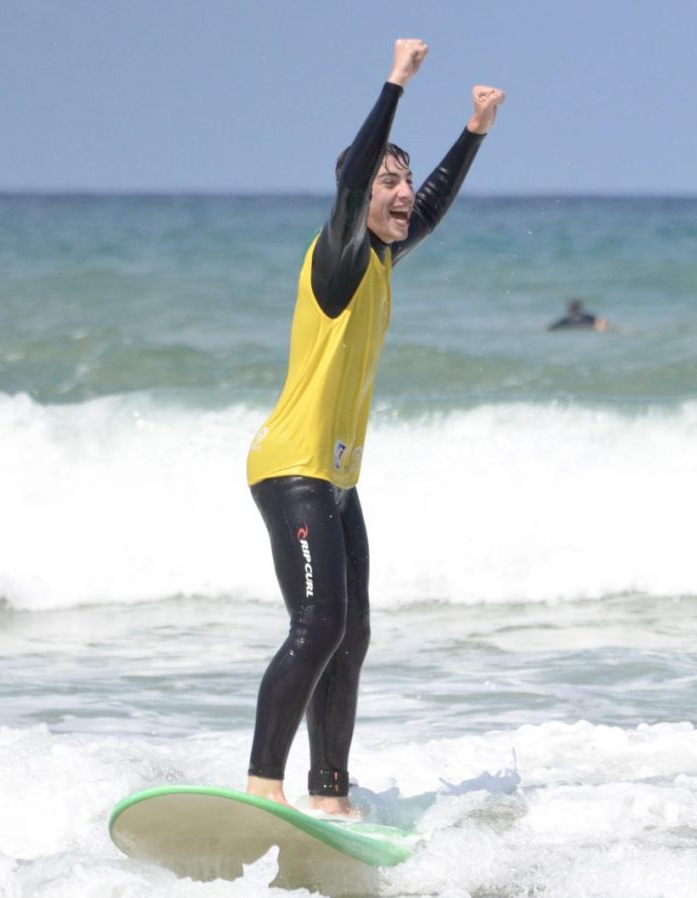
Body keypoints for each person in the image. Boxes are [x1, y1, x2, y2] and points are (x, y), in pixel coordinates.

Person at [245, 39, 505, 815]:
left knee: (351, 633)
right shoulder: (338, 258)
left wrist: (474, 131)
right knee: (317, 623)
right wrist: (396, 83)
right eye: (387, 183)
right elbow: (359, 177)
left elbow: (430, 204)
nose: (402, 194)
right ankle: (262, 783)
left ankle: (330, 794)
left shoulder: (384, 263)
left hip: (336, 478)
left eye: (404, 181)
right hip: (292, 468)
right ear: (357, 198)